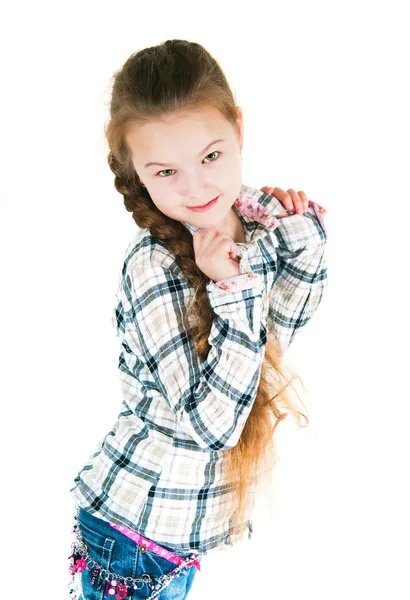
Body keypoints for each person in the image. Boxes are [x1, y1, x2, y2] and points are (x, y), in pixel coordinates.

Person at [68, 39, 329, 600]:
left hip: (175, 529)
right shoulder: (153, 268)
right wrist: (231, 289)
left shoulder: (247, 227)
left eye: (211, 156)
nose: (196, 188)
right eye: (165, 171)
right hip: (134, 531)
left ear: (238, 129)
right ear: (137, 174)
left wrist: (291, 224)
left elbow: (281, 329)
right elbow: (213, 426)